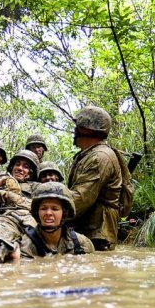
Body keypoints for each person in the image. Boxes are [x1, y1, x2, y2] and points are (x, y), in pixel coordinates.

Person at [66, 106, 123, 251]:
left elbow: (80, 198)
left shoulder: (99, 158)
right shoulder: (89, 154)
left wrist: (46, 206)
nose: (74, 130)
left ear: (86, 129)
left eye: (77, 126)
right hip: (91, 230)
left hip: (98, 235)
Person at [20, 181, 94, 258]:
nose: (48, 213)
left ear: (64, 213)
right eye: (43, 208)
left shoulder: (81, 244)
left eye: (55, 209)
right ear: (37, 212)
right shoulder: (25, 245)